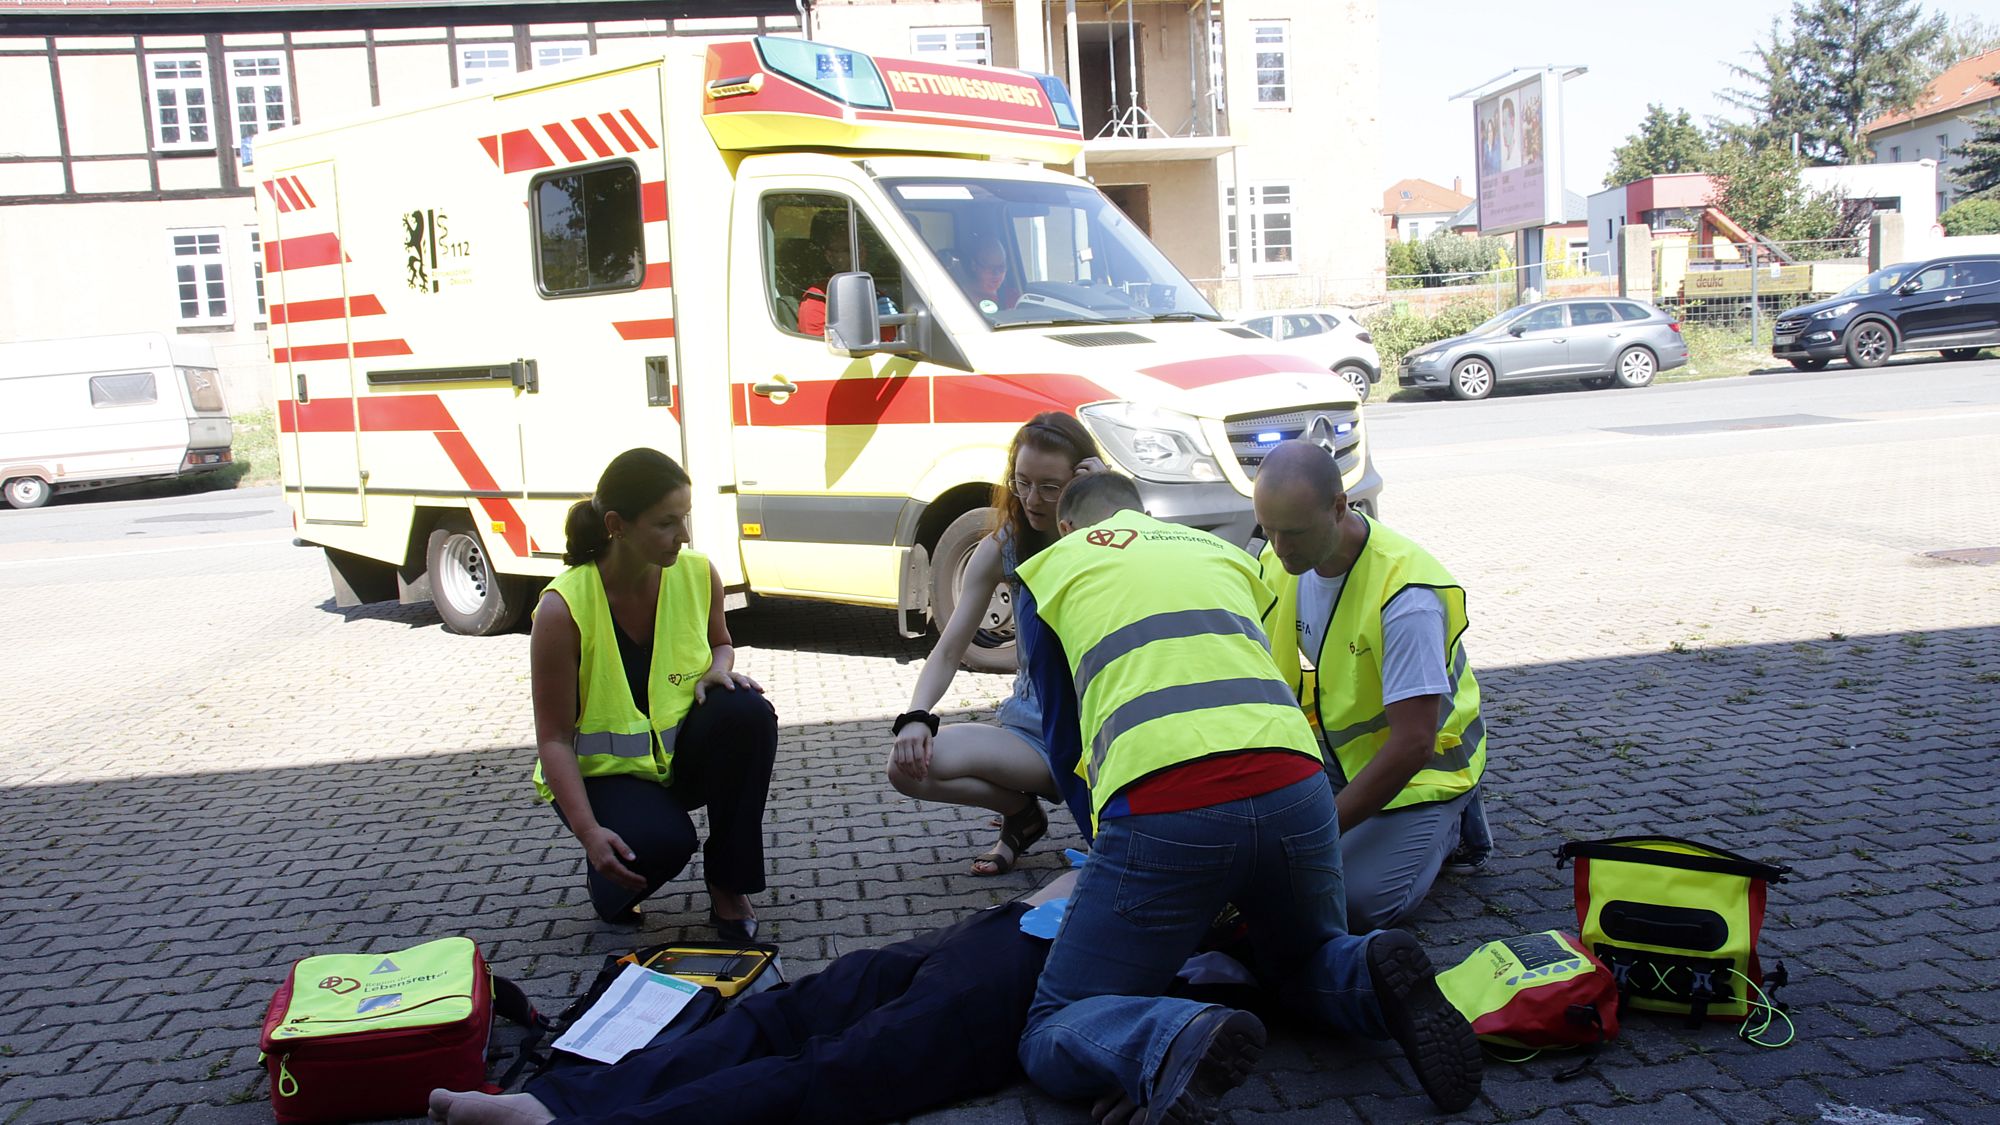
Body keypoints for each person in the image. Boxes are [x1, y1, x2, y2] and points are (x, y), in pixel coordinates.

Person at [1011, 472, 1482, 1120]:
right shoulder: (1220, 551)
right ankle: (1367, 972)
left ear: (1069, 529)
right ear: (1144, 514)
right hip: (1296, 786)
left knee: (1049, 1024)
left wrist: (1105, 848)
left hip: (1169, 809)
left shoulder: (1052, 568)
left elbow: (1064, 740)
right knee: (1298, 961)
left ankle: (1167, 1035)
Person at [426, 873, 1078, 1125]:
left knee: (837, 1064)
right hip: (1010, 922)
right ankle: (551, 1101)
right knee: (784, 1010)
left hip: (1047, 970)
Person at [531, 448, 778, 938]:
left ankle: (729, 888)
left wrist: (718, 669)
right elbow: (554, 740)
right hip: (606, 779)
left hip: (675, 761)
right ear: (618, 525)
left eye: (684, 518)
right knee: (664, 843)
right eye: (667, 523)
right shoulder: (561, 610)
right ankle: (608, 879)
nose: (683, 535)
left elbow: (720, 644)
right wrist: (589, 834)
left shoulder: (697, 573)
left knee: (748, 712)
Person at [1251, 440, 1492, 933]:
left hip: (1424, 773)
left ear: (1340, 507)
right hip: (1340, 756)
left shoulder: (1407, 597)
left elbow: (1414, 744)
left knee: (1354, 904)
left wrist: (1320, 833)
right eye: (1268, 530)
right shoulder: (1281, 559)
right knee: (1249, 854)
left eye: (1293, 532)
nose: (1280, 548)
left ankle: (1456, 825)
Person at [887, 412, 1103, 875]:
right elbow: (948, 650)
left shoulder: (1115, 539)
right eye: (1022, 482)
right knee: (906, 765)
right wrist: (916, 718)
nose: (1032, 499)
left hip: (1106, 733)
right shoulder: (1007, 544)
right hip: (1035, 733)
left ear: (1083, 479)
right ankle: (1022, 817)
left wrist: (1106, 505)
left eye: (1050, 486)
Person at [954, 232, 1019, 313]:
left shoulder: (1012, 297)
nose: (996, 274)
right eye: (990, 267)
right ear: (974, 265)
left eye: (1001, 267)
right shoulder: (960, 297)